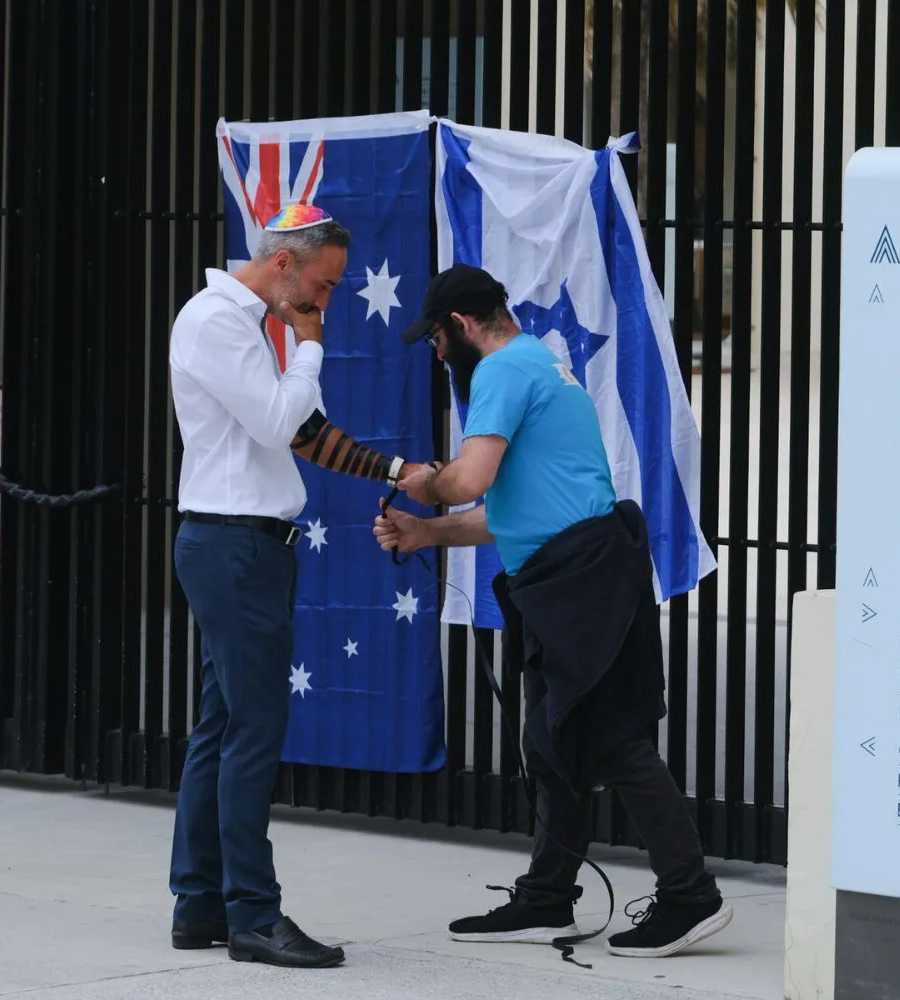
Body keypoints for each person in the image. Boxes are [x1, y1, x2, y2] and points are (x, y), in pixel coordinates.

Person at [373, 263, 732, 959]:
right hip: (576, 571)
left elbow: (467, 481)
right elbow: (510, 513)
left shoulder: (504, 372)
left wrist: (423, 483)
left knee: (610, 740)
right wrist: (426, 533)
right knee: (554, 739)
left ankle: (690, 895)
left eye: (439, 340)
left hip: (582, 579)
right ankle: (546, 899)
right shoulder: (538, 363)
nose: (439, 354)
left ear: (464, 325)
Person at [167, 204, 428, 969]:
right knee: (252, 732)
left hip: (245, 548)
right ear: (285, 264)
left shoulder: (241, 327)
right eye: (323, 284)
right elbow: (286, 420)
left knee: (223, 727)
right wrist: (309, 347)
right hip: (234, 547)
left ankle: (199, 903)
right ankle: (253, 914)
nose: (327, 302)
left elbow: (306, 436)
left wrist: (394, 471)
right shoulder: (218, 320)